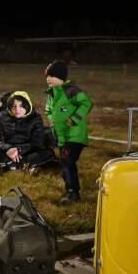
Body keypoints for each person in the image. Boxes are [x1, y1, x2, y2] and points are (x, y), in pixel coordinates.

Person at [44, 60, 93, 204]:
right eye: (47, 76)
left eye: (51, 76)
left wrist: (75, 119)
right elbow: (48, 110)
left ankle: (73, 193)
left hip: (74, 136)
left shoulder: (71, 90)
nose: (48, 79)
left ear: (61, 78)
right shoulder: (51, 94)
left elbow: (86, 104)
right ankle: (70, 187)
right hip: (62, 137)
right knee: (65, 162)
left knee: (67, 161)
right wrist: (51, 119)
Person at [0, 91, 55, 175]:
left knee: (48, 152)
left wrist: (19, 149)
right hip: (7, 150)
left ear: (27, 106)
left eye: (21, 106)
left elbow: (37, 143)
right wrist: (8, 148)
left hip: (27, 150)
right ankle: (27, 166)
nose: (17, 110)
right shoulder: (2, 116)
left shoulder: (36, 118)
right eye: (14, 106)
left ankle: (8, 167)